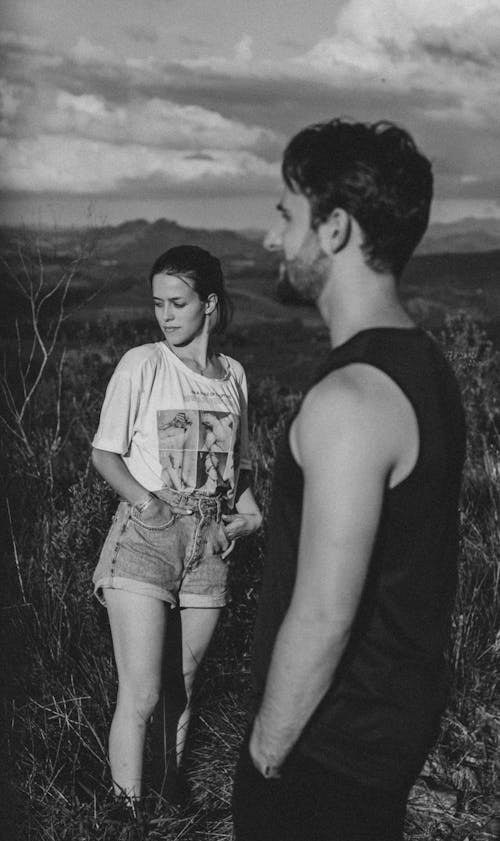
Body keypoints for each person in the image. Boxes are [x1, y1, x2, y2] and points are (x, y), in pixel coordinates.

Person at [232, 119, 466, 841]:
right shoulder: (425, 369)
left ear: (333, 229)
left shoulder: (351, 400)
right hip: (382, 742)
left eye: (286, 214)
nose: (274, 239)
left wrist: (265, 756)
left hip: (323, 754)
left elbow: (325, 614)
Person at [91, 245, 262, 824]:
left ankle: (162, 808)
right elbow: (104, 454)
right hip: (146, 536)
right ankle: (126, 818)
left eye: (179, 302)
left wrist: (252, 515)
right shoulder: (144, 363)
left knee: (182, 686)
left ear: (209, 304)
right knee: (141, 692)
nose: (165, 315)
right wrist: (149, 504)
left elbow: (237, 475)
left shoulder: (233, 376)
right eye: (158, 302)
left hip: (210, 546)